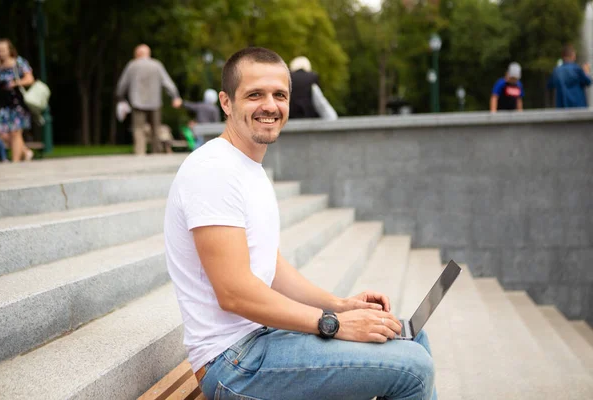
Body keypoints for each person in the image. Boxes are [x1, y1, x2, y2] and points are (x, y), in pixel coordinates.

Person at [164, 47, 436, 400]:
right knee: (413, 370)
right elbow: (233, 293)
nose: (270, 105)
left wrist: (340, 305)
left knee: (407, 334)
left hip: (260, 343)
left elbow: (270, 267)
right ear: (226, 103)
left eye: (279, 95)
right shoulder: (213, 170)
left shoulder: (248, 168)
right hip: (234, 364)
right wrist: (334, 325)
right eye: (255, 94)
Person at [116, 44, 182, 155]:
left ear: (137, 54)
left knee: (138, 129)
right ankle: (156, 152)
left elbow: (122, 84)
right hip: (155, 101)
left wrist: (120, 97)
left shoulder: (132, 65)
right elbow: (168, 82)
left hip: (137, 102)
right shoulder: (156, 65)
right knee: (155, 129)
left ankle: (140, 152)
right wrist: (175, 96)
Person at [0, 39, 34, 162]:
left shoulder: (18, 62)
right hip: (4, 105)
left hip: (18, 103)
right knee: (1, 132)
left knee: (16, 133)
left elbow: (30, 78)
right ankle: (26, 152)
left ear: (9, 50)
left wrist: (16, 83)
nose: (1, 53)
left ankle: (15, 163)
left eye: (3, 50)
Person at [548, 44, 592, 108]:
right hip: (578, 105)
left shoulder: (556, 71)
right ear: (572, 55)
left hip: (562, 106)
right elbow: (588, 82)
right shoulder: (576, 69)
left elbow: (550, 85)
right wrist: (586, 72)